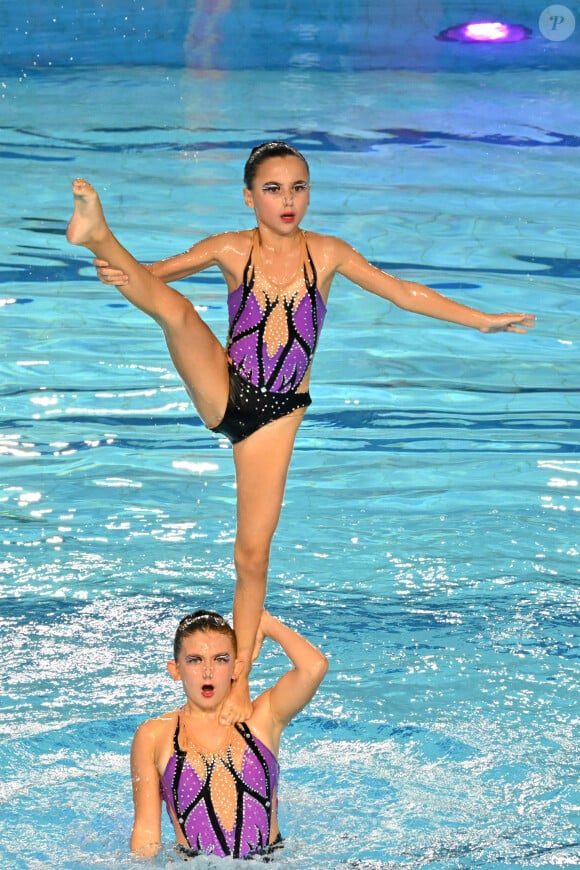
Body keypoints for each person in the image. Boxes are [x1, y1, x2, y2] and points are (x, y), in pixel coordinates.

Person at [66, 143, 535, 723]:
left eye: (298, 188)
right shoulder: (231, 248)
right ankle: (95, 233)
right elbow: (154, 275)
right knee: (178, 312)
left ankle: (237, 687)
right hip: (224, 384)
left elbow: (401, 293)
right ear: (249, 197)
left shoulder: (329, 253)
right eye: (273, 189)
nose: (287, 201)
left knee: (252, 555)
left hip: (274, 419)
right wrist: (116, 267)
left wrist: (482, 319)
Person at [129, 608, 328, 859]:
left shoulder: (260, 719)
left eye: (221, 659)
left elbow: (314, 667)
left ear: (236, 667)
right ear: (175, 669)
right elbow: (146, 836)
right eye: (195, 660)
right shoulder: (154, 736)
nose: (208, 671)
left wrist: (266, 624)